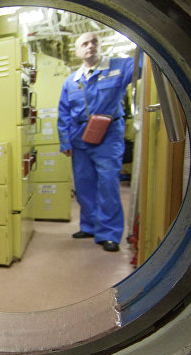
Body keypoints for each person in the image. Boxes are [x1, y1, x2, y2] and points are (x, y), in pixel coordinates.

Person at [57, 32, 135, 252]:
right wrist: (65, 142)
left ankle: (108, 233)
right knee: (84, 185)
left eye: (94, 42)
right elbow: (64, 113)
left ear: (100, 46)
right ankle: (90, 226)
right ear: (77, 52)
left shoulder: (119, 68)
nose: (90, 46)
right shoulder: (72, 81)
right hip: (79, 137)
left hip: (108, 134)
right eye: (84, 44)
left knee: (108, 183)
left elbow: (143, 63)